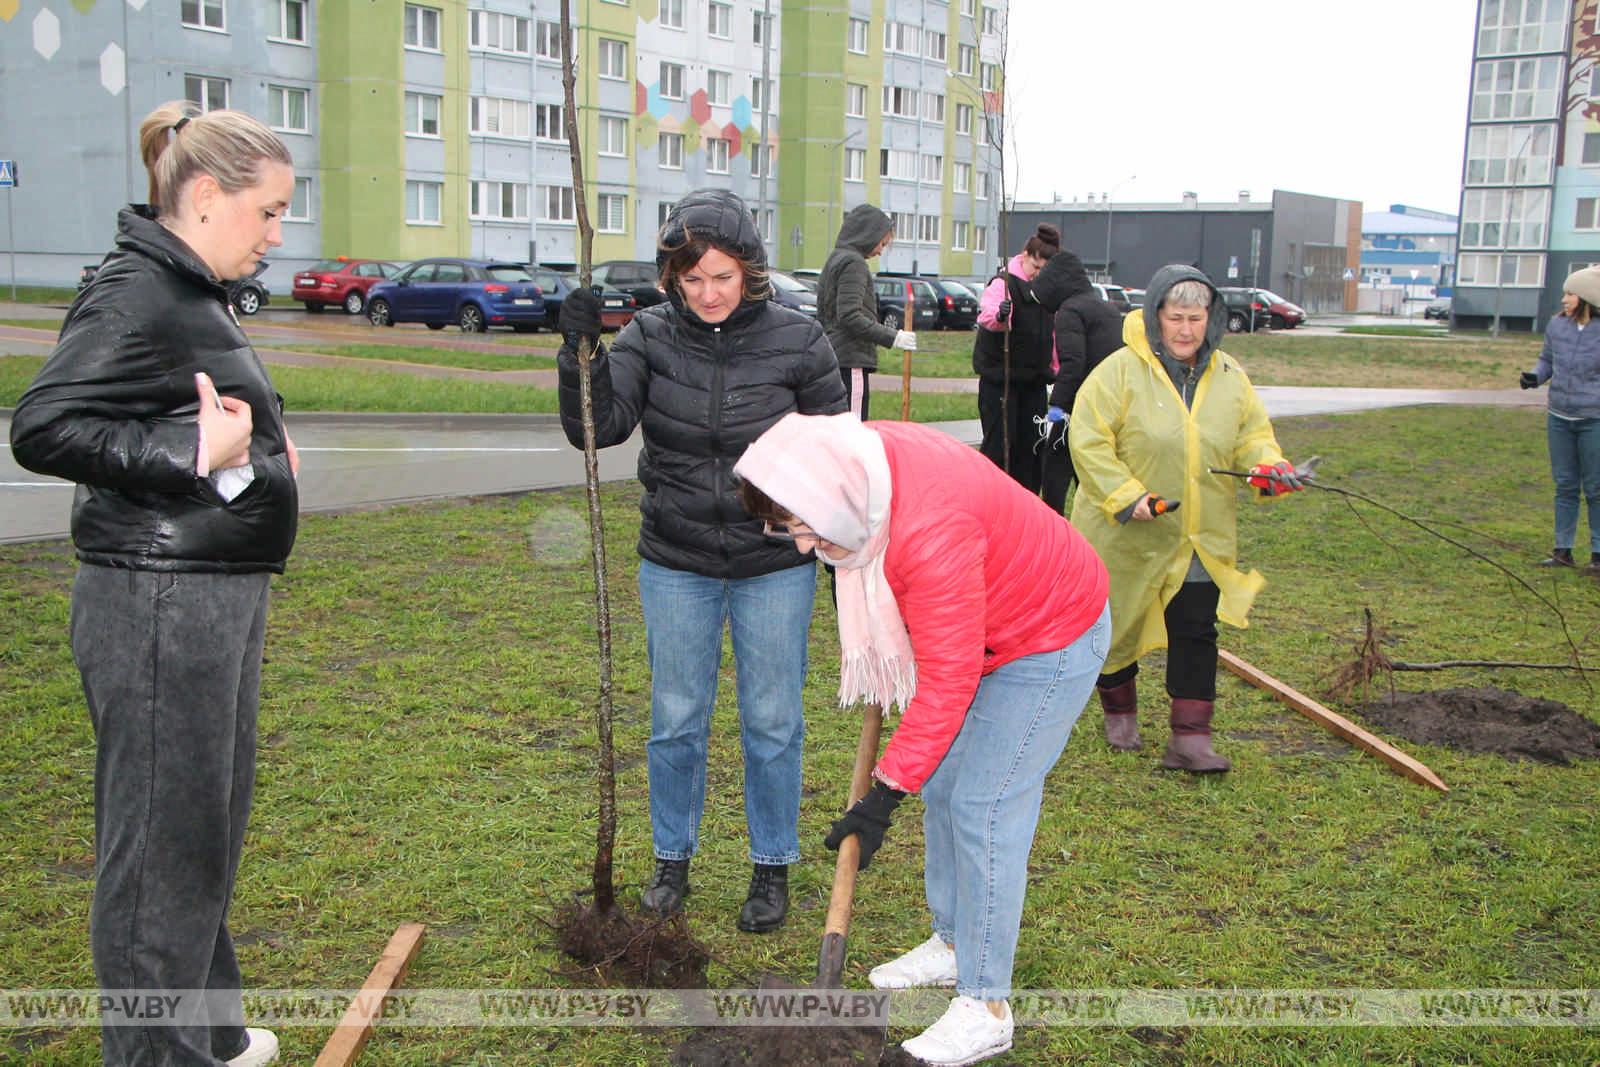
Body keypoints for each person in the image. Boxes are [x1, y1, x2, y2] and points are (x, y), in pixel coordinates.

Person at [9, 101, 298, 1067]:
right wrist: (187, 448)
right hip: (158, 602)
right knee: (158, 858)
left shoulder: (194, 284)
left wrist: (261, 434)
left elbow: (196, 392)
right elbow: (43, 426)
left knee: (203, 832)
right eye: (268, 212)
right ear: (207, 196)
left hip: (212, 588)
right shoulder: (134, 289)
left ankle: (207, 1038)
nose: (277, 232)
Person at [734, 413, 1109, 1067]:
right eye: (788, 529)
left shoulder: (927, 532)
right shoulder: (861, 469)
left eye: (804, 527)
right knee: (944, 781)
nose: (801, 548)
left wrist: (882, 796)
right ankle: (956, 938)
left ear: (837, 501)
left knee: (984, 806)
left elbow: (948, 680)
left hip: (1049, 633)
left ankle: (986, 1005)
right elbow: (941, 650)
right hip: (989, 622)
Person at [555, 189, 846, 933]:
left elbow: (838, 452)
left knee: (772, 719)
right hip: (677, 556)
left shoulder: (800, 340)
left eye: (722, 276)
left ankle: (771, 864)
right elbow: (601, 428)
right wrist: (580, 354)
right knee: (676, 717)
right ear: (671, 278)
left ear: (749, 270)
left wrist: (835, 536)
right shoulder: (650, 337)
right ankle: (671, 860)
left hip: (773, 560)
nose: (709, 293)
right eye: (692, 279)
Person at [1068, 265, 1304, 771]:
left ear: (1211, 319)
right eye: (1176, 317)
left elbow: (1251, 436)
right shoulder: (1117, 372)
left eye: (1196, 318)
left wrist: (1268, 467)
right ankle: (1120, 710)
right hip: (1126, 530)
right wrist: (1128, 496)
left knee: (1196, 627)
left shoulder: (1228, 376)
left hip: (1200, 531)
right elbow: (1087, 440)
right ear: (1156, 317)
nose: (1185, 330)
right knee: (1117, 624)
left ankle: (1191, 738)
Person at [1031, 249, 1127, 514]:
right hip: (1110, 404)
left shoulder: (1070, 311)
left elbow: (1073, 364)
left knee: (1054, 475)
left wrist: (1056, 411)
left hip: (1077, 409)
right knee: (1091, 474)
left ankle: (1053, 534)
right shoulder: (1106, 308)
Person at [1520, 266, 1600, 574]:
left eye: (1570, 293)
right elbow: (1547, 360)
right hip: (1560, 416)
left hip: (1594, 418)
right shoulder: (1557, 325)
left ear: (1587, 298)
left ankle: (1597, 553)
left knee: (1595, 488)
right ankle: (1562, 550)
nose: (1564, 299)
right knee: (1565, 485)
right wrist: (1535, 377)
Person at [971, 223, 1060, 491]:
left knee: (1031, 449)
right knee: (1000, 446)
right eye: (1036, 269)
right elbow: (987, 317)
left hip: (1034, 383)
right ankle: (993, 499)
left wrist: (1055, 368)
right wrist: (1001, 315)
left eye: (1045, 272)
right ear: (1025, 257)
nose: (1037, 276)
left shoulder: (1046, 291)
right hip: (1002, 381)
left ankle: (1028, 505)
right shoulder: (1003, 284)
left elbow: (1051, 335)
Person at [816, 204, 917, 418]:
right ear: (867, 235)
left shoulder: (836, 258)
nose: (881, 250)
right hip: (850, 357)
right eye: (882, 243)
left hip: (833, 355)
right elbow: (850, 316)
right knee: (854, 428)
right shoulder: (854, 263)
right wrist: (894, 337)